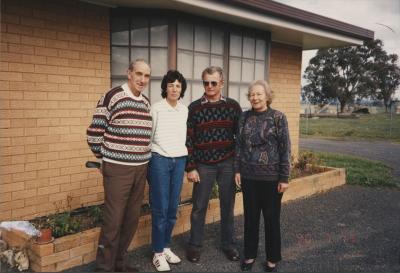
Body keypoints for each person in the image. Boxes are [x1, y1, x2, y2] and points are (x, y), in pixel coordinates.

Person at [87, 59, 152, 272]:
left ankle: (119, 263)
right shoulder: (112, 96)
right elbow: (94, 133)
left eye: (146, 76)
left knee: (131, 219)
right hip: (118, 169)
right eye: (139, 74)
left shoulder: (145, 102)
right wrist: (105, 159)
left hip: (141, 168)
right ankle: (104, 268)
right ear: (129, 73)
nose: (143, 79)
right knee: (113, 221)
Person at [185, 66, 242, 263]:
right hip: (203, 164)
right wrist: (191, 167)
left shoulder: (233, 107)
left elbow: (240, 139)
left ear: (221, 84)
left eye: (213, 82)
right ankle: (194, 245)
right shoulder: (194, 108)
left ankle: (228, 244)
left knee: (228, 206)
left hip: (227, 162)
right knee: (199, 206)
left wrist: (237, 167)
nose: (209, 86)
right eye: (206, 82)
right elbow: (189, 139)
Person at [234, 80, 291, 272]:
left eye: (259, 94)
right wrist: (237, 170)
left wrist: (284, 177)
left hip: (272, 179)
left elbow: (285, 148)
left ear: (267, 96)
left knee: (271, 219)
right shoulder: (243, 117)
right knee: (250, 218)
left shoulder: (278, 117)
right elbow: (239, 147)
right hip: (249, 177)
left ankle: (272, 258)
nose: (255, 98)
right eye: (252, 94)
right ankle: (249, 255)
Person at [148, 70, 188, 272]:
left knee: (172, 208)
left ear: (182, 90)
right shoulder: (156, 108)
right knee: (160, 208)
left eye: (178, 85)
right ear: (165, 87)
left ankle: (165, 247)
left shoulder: (184, 110)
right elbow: (149, 138)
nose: (174, 88)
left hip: (179, 160)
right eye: (171, 85)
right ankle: (157, 253)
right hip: (160, 161)